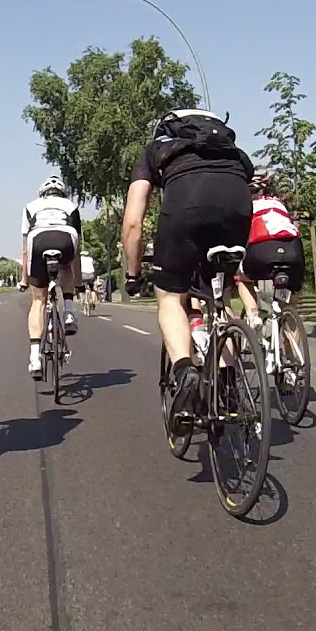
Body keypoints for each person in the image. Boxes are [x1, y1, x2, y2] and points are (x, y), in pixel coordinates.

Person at [121, 108, 254, 432]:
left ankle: (185, 373)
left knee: (169, 297)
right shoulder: (233, 152)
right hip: (237, 208)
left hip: (187, 208)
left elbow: (133, 221)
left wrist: (133, 274)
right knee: (219, 298)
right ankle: (227, 382)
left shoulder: (157, 149)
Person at [21, 175, 82, 379]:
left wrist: (24, 279)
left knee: (38, 300)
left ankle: (34, 358)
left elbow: (25, 251)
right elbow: (77, 253)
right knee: (66, 268)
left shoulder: (30, 206)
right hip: (65, 237)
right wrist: (79, 283)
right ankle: (69, 313)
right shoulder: (71, 206)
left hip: (37, 240)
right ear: (62, 192)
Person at [235, 174, 306, 330]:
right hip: (294, 250)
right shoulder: (278, 204)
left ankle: (253, 316)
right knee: (288, 298)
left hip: (262, 251)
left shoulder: (244, 206)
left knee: (243, 280)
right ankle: (291, 342)